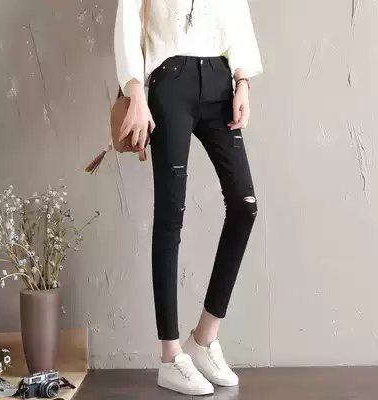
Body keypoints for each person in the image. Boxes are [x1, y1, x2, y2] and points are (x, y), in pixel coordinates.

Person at [114, 0, 263, 395]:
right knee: (170, 213)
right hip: (169, 81)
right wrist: (136, 94)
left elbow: (237, 15)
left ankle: (204, 339)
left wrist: (242, 82)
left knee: (244, 206)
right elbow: (128, 22)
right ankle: (170, 356)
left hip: (219, 80)